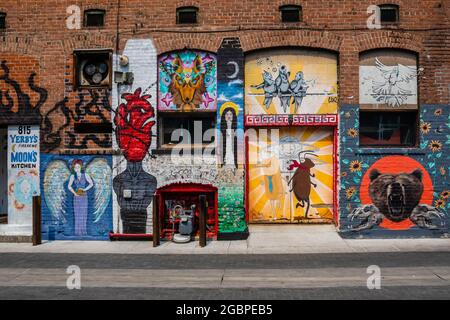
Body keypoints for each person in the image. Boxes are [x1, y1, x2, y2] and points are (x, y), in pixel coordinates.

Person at [68, 159, 94, 236]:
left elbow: (91, 184)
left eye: (78, 167)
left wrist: (85, 189)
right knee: (77, 214)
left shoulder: (85, 175)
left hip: (83, 196)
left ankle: (83, 231)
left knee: (83, 213)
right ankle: (77, 232)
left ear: (81, 167)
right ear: (73, 168)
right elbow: (69, 186)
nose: (77, 169)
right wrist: (74, 193)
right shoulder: (73, 176)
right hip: (76, 197)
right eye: (75, 167)